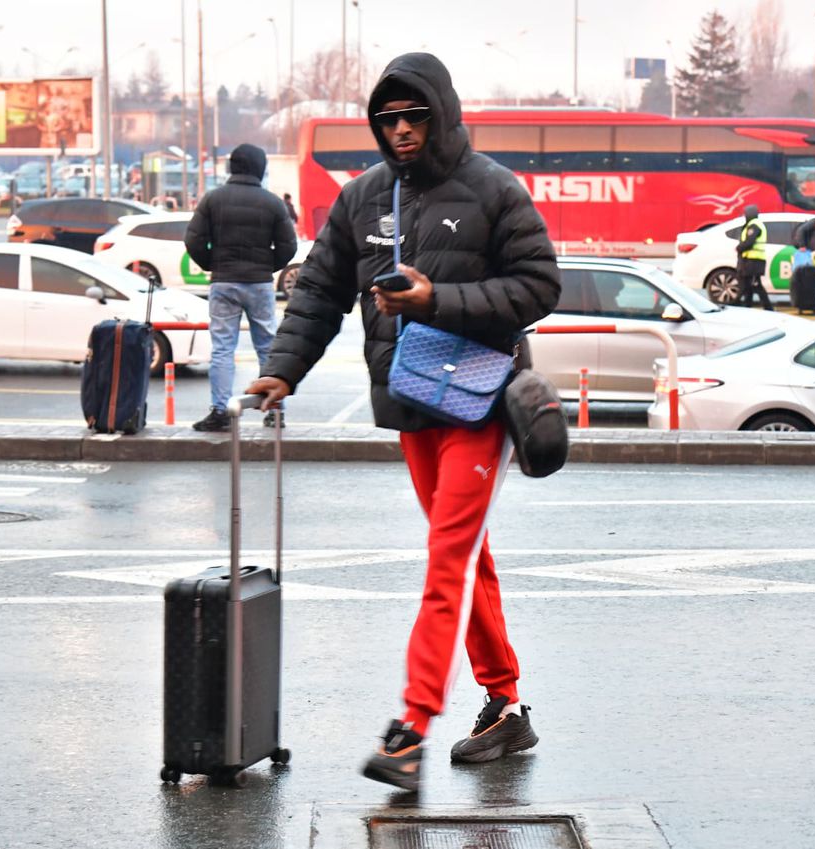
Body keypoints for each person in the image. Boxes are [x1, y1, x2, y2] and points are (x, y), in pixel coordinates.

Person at [245, 52, 560, 794]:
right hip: (412, 401)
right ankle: (505, 702)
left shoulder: (494, 189)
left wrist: (435, 301)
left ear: (441, 114)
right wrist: (283, 369)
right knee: (466, 553)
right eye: (387, 120)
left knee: (448, 558)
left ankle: (411, 728)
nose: (401, 130)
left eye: (414, 116)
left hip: (480, 402)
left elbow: (540, 284)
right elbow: (318, 291)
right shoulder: (361, 198)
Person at [184, 143, 296, 431]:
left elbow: (193, 240)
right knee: (268, 347)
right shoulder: (273, 203)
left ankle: (221, 412)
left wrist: (213, 264)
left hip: (224, 282)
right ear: (260, 168)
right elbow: (288, 246)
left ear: (231, 167)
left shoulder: (213, 199)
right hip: (259, 284)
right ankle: (275, 410)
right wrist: (266, 266)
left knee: (223, 348)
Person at [735, 204, 772, 310]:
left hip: (753, 261)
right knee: (748, 285)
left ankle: (768, 308)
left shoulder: (754, 225)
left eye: (745, 214)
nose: (744, 216)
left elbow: (749, 242)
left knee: (755, 285)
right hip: (752, 260)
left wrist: (739, 248)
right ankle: (748, 307)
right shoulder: (753, 224)